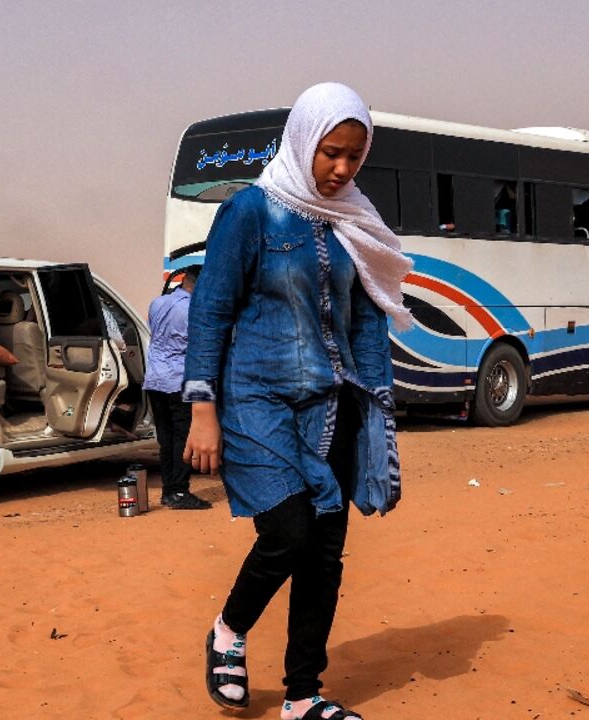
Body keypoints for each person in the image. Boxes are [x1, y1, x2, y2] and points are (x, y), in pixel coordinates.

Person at [183, 83, 411, 720]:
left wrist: (378, 412)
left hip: (332, 407)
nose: (341, 169)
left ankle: (302, 695)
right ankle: (229, 630)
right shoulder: (251, 211)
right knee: (288, 531)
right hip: (256, 401)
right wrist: (203, 408)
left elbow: (365, 322)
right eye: (330, 153)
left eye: (354, 158)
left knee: (326, 554)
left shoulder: (353, 225)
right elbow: (212, 308)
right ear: (303, 140)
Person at [143, 265, 212, 510]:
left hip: (154, 379)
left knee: (166, 439)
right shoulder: (195, 309)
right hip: (182, 379)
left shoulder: (158, 303)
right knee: (184, 438)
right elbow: (202, 348)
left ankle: (168, 490)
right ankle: (179, 492)